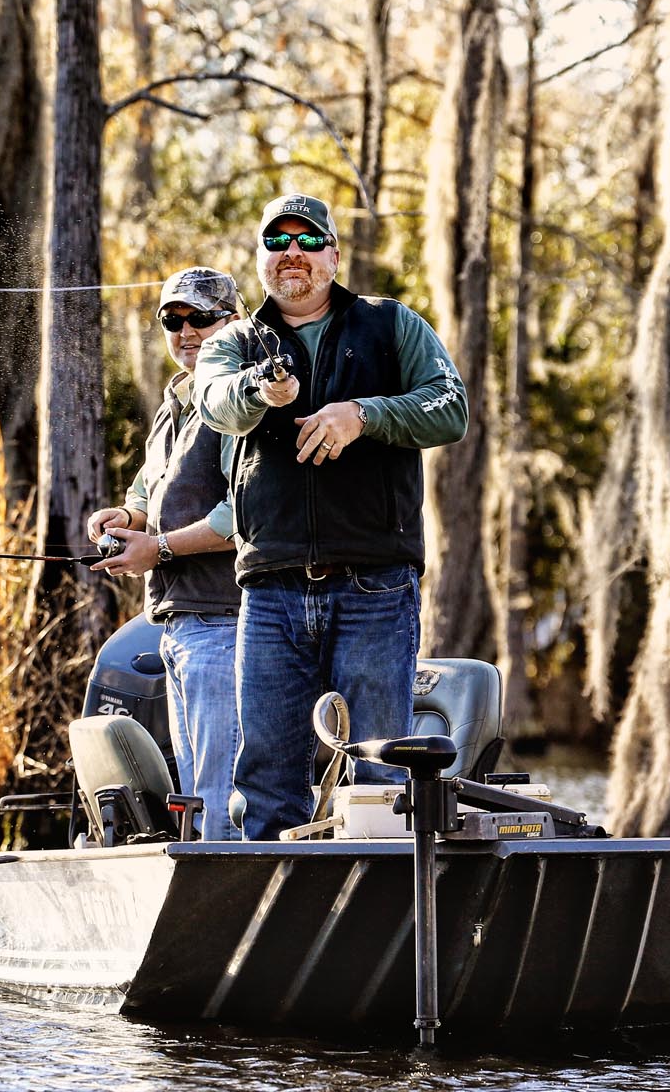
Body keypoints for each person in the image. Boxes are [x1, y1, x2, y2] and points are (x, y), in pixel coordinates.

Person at [193, 192, 468, 841]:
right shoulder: (233, 342)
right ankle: (268, 921)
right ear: (261, 258)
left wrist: (363, 415)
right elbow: (214, 405)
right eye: (278, 240)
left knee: (380, 774)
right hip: (270, 592)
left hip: (376, 585)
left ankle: (385, 919)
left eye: (309, 239)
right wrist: (261, 390)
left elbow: (450, 408)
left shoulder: (391, 323)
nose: (294, 252)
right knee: (265, 777)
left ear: (334, 254)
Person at [86, 266, 244, 841]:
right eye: (174, 320)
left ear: (235, 321)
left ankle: (229, 913)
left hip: (228, 623)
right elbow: (148, 494)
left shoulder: (237, 406)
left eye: (202, 318)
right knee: (197, 797)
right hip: (177, 627)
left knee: (220, 797)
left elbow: (241, 517)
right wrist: (125, 520)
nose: (187, 331)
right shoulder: (174, 402)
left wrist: (158, 548)